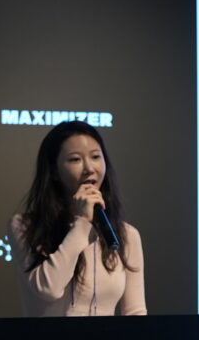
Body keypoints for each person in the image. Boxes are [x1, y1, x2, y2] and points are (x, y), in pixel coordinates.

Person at [10, 121, 146, 317]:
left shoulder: (126, 235)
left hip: (107, 339)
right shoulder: (25, 226)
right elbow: (48, 288)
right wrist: (81, 224)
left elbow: (135, 312)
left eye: (96, 157)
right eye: (75, 159)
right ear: (54, 171)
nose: (89, 168)